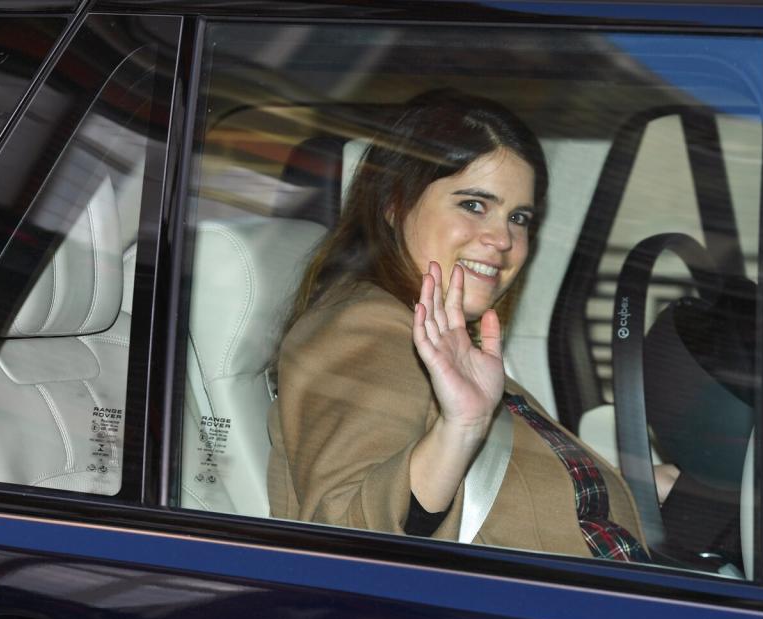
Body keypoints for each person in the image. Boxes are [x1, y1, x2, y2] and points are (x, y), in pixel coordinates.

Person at [267, 89, 649, 562]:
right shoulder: (364, 329)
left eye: (519, 217)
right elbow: (347, 538)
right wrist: (462, 427)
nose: (503, 239)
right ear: (394, 203)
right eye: (473, 205)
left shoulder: (435, 336)